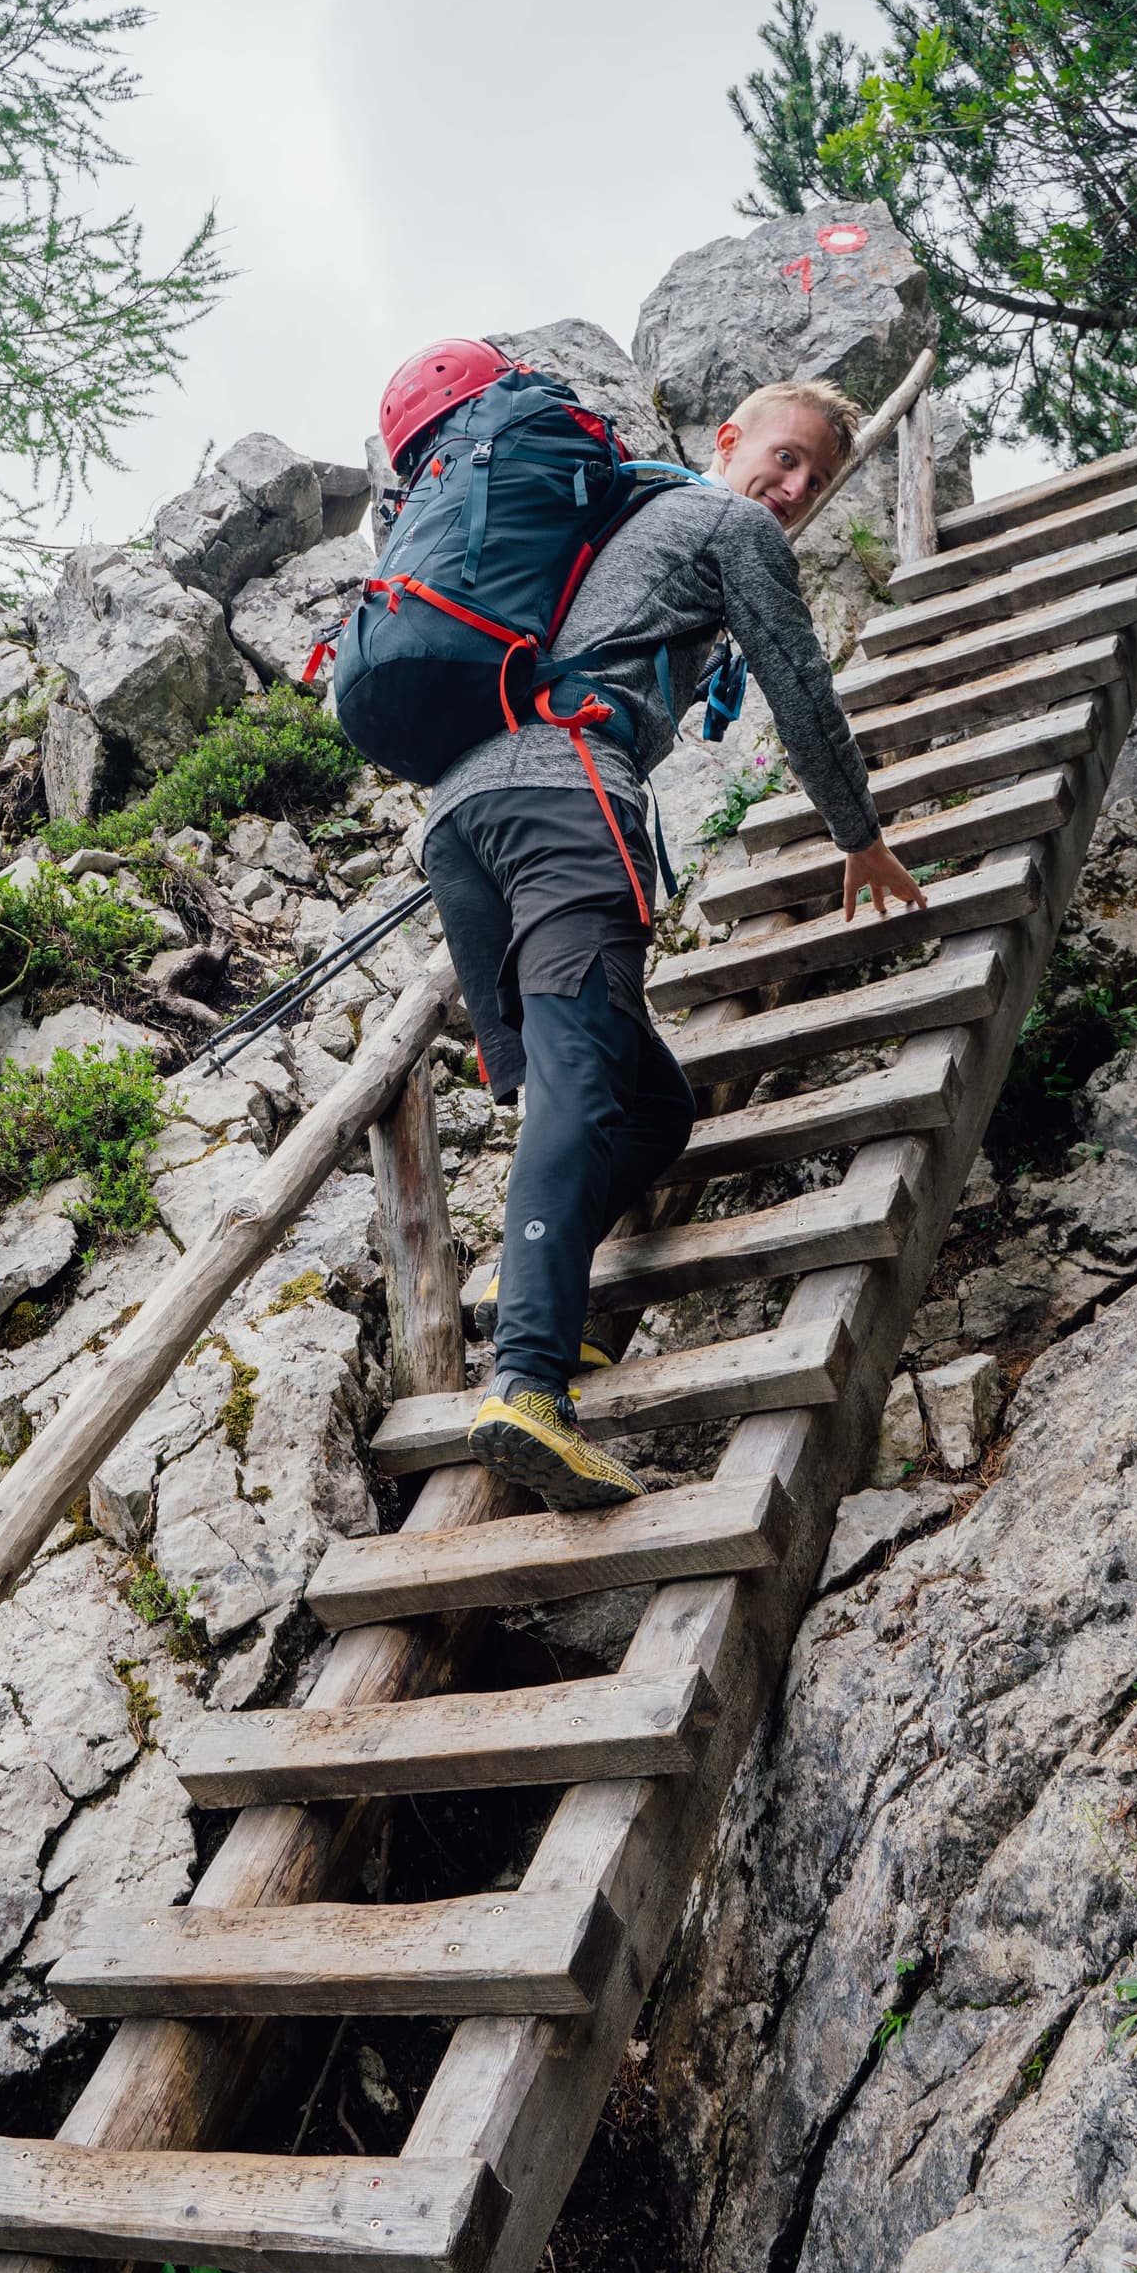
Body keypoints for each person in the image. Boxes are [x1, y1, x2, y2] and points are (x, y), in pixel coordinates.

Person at [416, 373, 928, 1512]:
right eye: (785, 457)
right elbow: (801, 686)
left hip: (463, 826)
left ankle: (532, 1288)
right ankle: (528, 1384)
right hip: (565, 802)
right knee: (581, 1088)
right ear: (728, 438)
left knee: (653, 1112)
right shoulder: (724, 522)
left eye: (817, 478)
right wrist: (860, 835)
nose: (794, 488)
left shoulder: (619, 524)